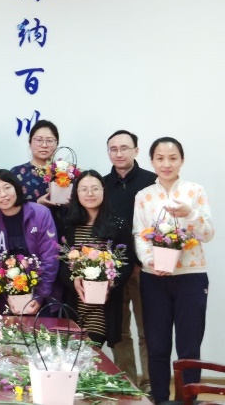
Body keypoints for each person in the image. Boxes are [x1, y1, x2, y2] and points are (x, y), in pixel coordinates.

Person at [133, 137, 214, 405]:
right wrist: (150, 262)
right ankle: (159, 399)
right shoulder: (143, 196)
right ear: (151, 161)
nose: (166, 164)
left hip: (191, 277)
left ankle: (188, 400)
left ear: (182, 160)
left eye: (172, 158)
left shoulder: (195, 191)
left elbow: (208, 234)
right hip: (154, 279)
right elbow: (139, 236)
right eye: (160, 158)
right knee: (157, 344)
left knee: (189, 345)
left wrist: (190, 213)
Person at [104, 130, 157, 391]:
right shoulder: (102, 185)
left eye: (124, 148)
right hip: (113, 270)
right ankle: (127, 384)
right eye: (113, 149)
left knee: (148, 330)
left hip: (146, 268)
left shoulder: (152, 182)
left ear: (136, 150)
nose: (119, 153)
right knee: (119, 330)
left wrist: (143, 261)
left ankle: (151, 384)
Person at [55, 170, 133, 347]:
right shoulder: (67, 223)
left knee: (90, 350)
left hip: (103, 306)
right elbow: (61, 261)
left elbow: (127, 262)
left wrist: (112, 281)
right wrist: (73, 280)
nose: (89, 193)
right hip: (74, 302)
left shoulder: (118, 223)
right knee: (72, 353)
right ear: (76, 193)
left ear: (104, 191)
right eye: (84, 189)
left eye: (95, 188)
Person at [0, 169, 59, 315]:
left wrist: (39, 296)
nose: (3, 194)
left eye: (7, 188)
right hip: (9, 300)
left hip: (44, 297)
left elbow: (50, 258)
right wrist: (7, 297)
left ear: (17, 188)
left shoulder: (40, 214)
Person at [10, 119, 59, 205]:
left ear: (57, 144)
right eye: (39, 140)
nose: (44, 145)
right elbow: (11, 206)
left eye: (50, 140)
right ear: (30, 143)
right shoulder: (16, 173)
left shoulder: (67, 172)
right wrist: (38, 204)